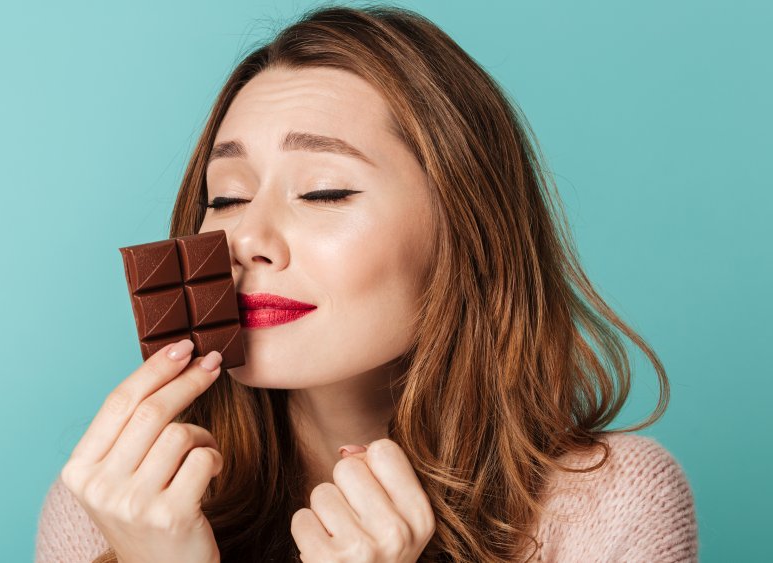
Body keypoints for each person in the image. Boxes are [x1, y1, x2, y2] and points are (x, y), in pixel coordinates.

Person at [35, 4, 698, 562]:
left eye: (323, 191)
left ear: (468, 229)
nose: (246, 242)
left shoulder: (609, 507)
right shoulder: (109, 507)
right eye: (228, 197)